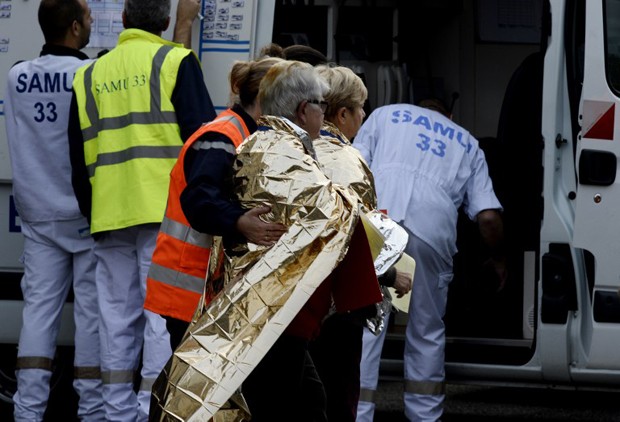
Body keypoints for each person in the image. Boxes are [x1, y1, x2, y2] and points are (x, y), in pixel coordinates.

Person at [150, 60, 383, 422]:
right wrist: (239, 221)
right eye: (322, 106)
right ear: (304, 109)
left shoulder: (259, 141)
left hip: (246, 303)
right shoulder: (264, 147)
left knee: (302, 399)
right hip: (250, 306)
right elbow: (332, 216)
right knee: (280, 402)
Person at [67, 0, 216, 419]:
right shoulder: (176, 61)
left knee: (114, 319)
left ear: (125, 21)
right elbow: (203, 144)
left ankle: (117, 412)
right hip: (167, 216)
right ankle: (152, 407)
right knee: (160, 315)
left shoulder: (89, 74)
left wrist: (93, 210)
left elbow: (77, 157)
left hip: (110, 213)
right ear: (166, 22)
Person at [354, 99, 506, 422]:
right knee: (425, 330)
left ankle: (357, 413)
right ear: (448, 115)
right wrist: (497, 258)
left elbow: (354, 168)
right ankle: (424, 417)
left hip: (380, 221)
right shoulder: (467, 142)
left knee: (368, 323)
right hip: (431, 233)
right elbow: (489, 218)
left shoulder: (385, 115)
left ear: (416, 107)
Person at [3, 0, 104, 420]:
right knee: (91, 315)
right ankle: (94, 410)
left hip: (37, 212)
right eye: (89, 18)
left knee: (38, 315)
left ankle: (27, 411)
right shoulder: (89, 76)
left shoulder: (16, 75)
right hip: (84, 214)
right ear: (76, 28)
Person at [144, 56, 287, 350]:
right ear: (265, 98)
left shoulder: (243, 132)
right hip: (190, 289)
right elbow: (200, 199)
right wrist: (239, 221)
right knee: (192, 393)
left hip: (201, 289)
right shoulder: (223, 135)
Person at [307, 64, 412, 422]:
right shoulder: (348, 160)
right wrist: (390, 274)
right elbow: (353, 237)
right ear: (342, 113)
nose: (364, 116)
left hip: (300, 302)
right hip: (339, 306)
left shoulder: (297, 150)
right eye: (361, 108)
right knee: (338, 397)